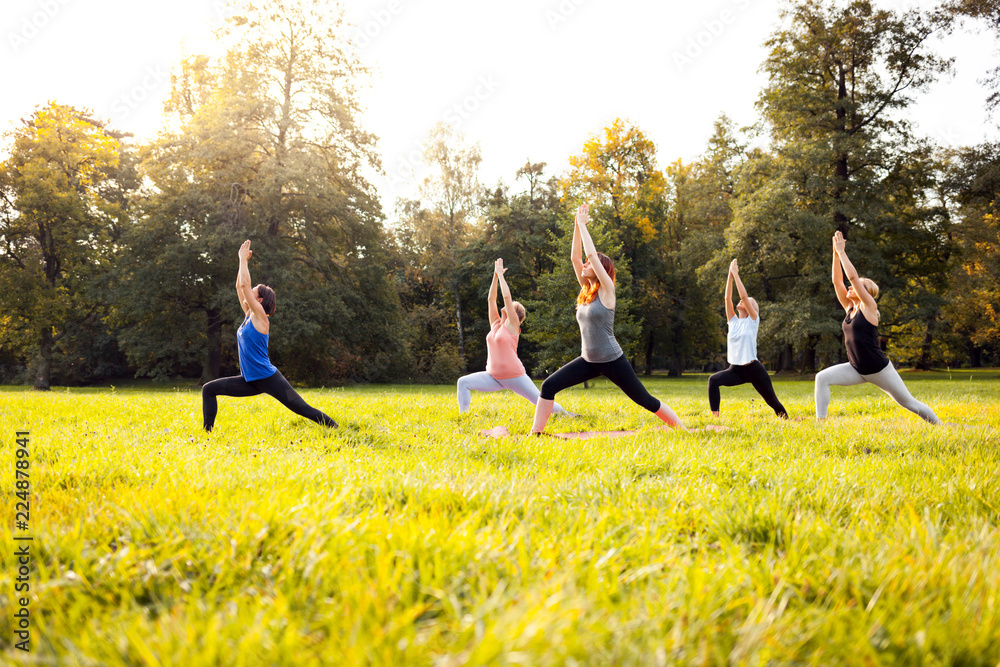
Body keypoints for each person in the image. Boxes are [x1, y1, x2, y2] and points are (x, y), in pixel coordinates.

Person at [529, 203, 686, 434]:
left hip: (613, 360)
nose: (584, 264)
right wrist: (576, 225)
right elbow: (575, 258)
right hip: (588, 361)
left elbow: (591, 254)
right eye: (585, 264)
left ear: (600, 268)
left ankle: (684, 430)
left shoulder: (607, 290)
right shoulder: (586, 290)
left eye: (589, 264)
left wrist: (584, 226)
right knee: (548, 385)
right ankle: (536, 434)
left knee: (646, 401)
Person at [201, 240, 338, 432]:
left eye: (254, 291)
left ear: (260, 299)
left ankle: (335, 427)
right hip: (249, 381)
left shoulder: (260, 318)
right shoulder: (248, 315)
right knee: (209, 389)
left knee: (301, 408)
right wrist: (241, 262)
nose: (250, 291)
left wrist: (243, 260)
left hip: (268, 378)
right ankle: (207, 434)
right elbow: (240, 287)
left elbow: (245, 285)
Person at [814, 231, 941, 424]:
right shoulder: (850, 309)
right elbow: (837, 281)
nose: (849, 288)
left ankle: (940, 426)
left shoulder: (869, 308)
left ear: (864, 292)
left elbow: (853, 278)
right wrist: (835, 253)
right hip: (856, 368)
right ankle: (820, 423)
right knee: (822, 378)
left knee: (909, 403)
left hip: (878, 368)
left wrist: (843, 252)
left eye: (855, 287)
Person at [457, 259, 572, 416]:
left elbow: (506, 297)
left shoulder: (512, 326)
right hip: (493, 376)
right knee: (463, 382)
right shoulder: (496, 324)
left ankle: (568, 415)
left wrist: (502, 277)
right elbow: (491, 300)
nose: (509, 305)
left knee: (539, 401)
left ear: (515, 314)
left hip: (514, 376)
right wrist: (495, 276)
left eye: (512, 306)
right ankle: (464, 416)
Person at [708, 258, 788, 418]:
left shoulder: (753, 320)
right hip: (736, 370)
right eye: (742, 301)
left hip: (754, 370)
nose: (741, 301)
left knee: (772, 400)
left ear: (751, 307)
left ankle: (785, 419)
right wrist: (730, 276)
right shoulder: (733, 322)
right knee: (713, 380)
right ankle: (715, 419)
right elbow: (727, 299)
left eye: (746, 302)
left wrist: (737, 275)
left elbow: (744, 296)